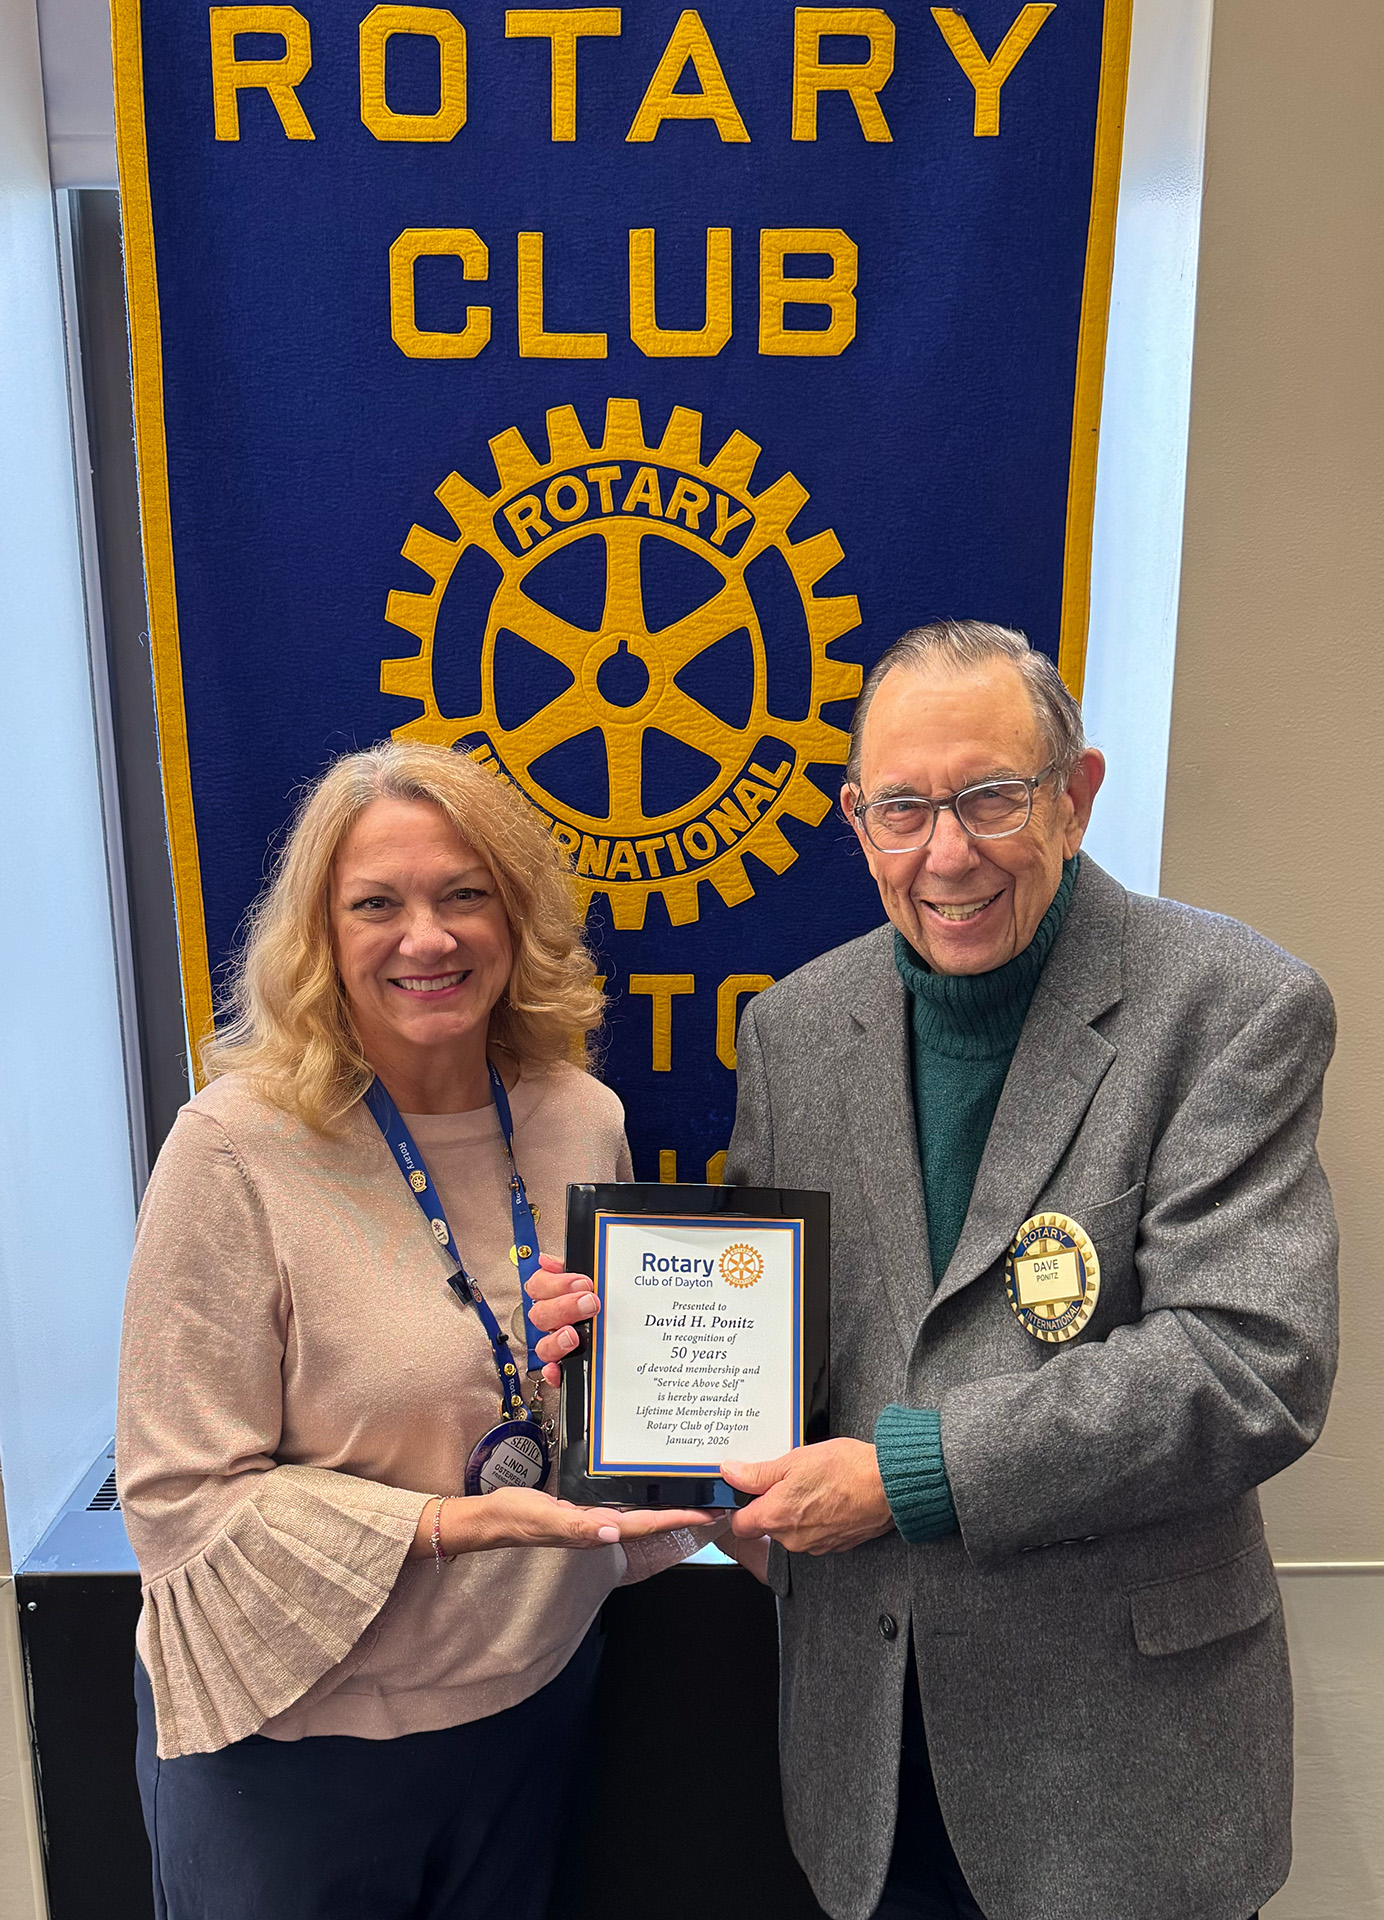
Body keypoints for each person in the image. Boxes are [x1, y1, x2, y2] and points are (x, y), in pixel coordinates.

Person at [533, 619, 1339, 1920]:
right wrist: (634, 1356)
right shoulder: (796, 1030)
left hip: (1120, 1781)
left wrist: (915, 1475)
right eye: (904, 809)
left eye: (990, 799)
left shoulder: (1232, 1008)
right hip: (864, 1766)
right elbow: (776, 1331)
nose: (946, 853)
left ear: (1074, 797)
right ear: (857, 821)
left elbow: (1248, 1366)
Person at [117, 741, 714, 1920]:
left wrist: (622, 1375)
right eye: (376, 905)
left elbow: (596, 1411)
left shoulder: (581, 1116)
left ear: (517, 915)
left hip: (533, 1701)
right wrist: (447, 1526)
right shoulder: (232, 1147)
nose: (427, 939)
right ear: (319, 938)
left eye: (463, 896)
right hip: (294, 1750)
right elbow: (178, 1495)